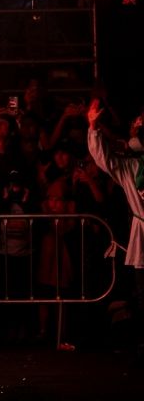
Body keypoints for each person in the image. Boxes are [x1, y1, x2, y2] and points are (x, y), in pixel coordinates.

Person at [85, 100, 144, 361]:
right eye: (136, 121)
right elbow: (104, 159)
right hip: (143, 235)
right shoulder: (131, 167)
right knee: (143, 291)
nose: (137, 125)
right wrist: (93, 127)